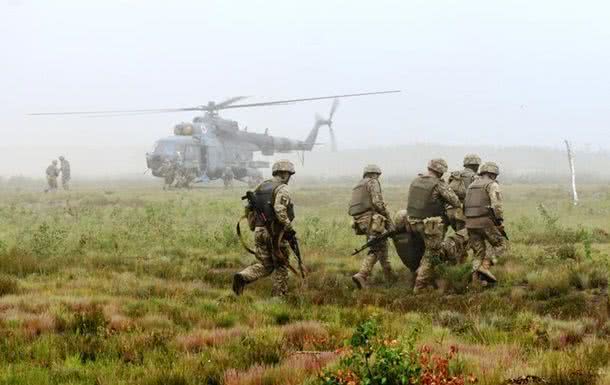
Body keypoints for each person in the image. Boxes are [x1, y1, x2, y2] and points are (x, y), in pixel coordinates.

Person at [232, 160, 296, 297]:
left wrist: (253, 226)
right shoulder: (282, 188)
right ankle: (279, 298)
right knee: (281, 266)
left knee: (265, 264)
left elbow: (248, 208)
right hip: (276, 234)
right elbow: (280, 210)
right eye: (289, 174)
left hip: (259, 231)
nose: (289, 177)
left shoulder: (261, 186)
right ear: (285, 174)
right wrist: (289, 229)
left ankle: (243, 276)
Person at [406, 159, 461, 293]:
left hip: (411, 223)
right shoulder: (438, 184)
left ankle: (421, 276)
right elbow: (455, 201)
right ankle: (420, 286)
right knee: (432, 254)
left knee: (422, 252)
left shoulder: (415, 180)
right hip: (429, 226)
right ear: (441, 172)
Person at [349, 164, 396, 289]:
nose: (378, 178)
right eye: (377, 175)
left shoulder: (359, 185)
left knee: (382, 246)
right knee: (376, 249)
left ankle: (390, 278)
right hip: (371, 220)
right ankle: (362, 275)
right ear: (374, 174)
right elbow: (377, 203)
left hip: (361, 222)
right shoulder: (373, 182)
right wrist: (389, 222)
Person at [464, 161, 507, 287]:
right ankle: (485, 266)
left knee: (479, 252)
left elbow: (465, 205)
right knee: (501, 244)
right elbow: (497, 205)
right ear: (493, 174)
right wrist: (499, 221)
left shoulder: (471, 185)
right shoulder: (492, 185)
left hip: (470, 223)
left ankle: (475, 282)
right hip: (485, 222)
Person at [447, 154, 481, 231]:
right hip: (464, 211)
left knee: (458, 234)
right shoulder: (476, 177)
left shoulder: (455, 175)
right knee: (464, 237)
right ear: (476, 165)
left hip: (450, 210)